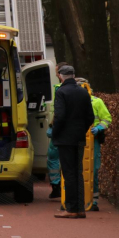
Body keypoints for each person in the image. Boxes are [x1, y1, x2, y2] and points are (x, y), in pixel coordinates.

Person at [51, 65, 94, 219]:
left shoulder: (61, 92)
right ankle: (80, 208)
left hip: (65, 139)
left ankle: (71, 208)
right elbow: (90, 116)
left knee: (68, 174)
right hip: (78, 138)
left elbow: (60, 116)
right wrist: (81, 130)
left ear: (61, 76)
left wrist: (55, 133)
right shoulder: (83, 92)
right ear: (73, 75)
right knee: (78, 173)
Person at [75, 78, 112, 211]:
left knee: (93, 170)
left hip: (92, 140)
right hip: (76, 139)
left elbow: (107, 118)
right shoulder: (71, 101)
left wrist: (99, 128)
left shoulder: (97, 102)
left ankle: (93, 201)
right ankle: (77, 199)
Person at [47, 61, 68, 199]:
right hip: (70, 129)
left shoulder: (59, 89)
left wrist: (52, 125)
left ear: (61, 74)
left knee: (54, 157)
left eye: (56, 73)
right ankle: (65, 187)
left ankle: (57, 185)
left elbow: (59, 111)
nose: (55, 75)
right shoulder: (81, 88)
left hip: (59, 128)